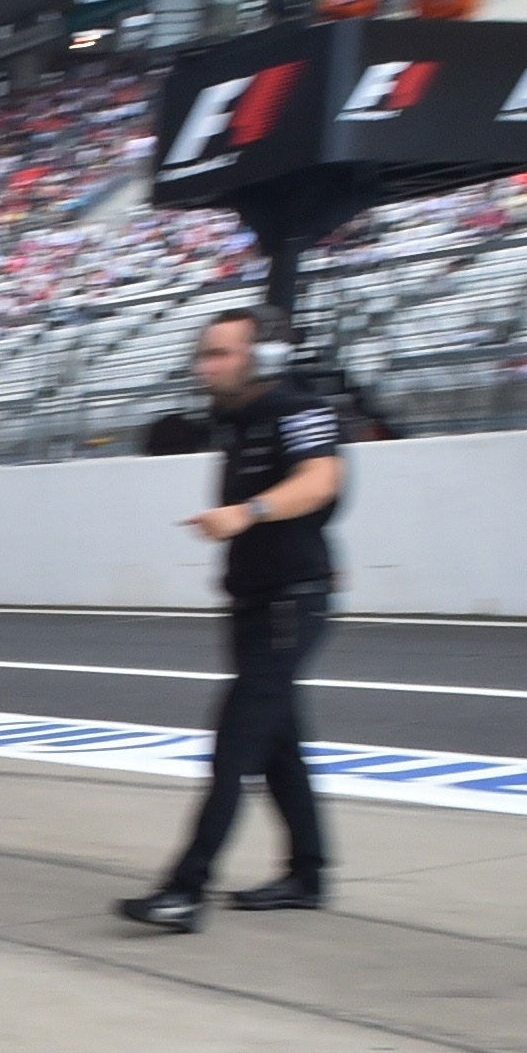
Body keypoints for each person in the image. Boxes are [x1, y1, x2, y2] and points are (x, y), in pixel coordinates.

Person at [118, 307, 344, 933]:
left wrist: (250, 511)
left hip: (288, 605)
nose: (204, 366)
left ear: (264, 357)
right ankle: (309, 873)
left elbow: (321, 479)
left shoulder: (298, 408)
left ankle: (184, 890)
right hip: (254, 604)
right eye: (203, 354)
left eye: (219, 354)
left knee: (236, 743)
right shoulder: (235, 418)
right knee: (277, 747)